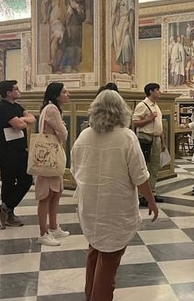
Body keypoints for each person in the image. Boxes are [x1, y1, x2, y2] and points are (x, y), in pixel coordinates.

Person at [71, 90, 158, 301]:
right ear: (121, 111)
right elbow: (140, 176)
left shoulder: (84, 136)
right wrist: (152, 202)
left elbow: (75, 169)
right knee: (109, 260)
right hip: (116, 207)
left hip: (90, 206)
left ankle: (90, 294)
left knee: (94, 250)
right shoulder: (126, 137)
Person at [0, 80, 36, 229]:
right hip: (7, 151)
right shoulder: (2, 107)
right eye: (16, 89)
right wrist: (22, 120)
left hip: (20, 149)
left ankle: (5, 208)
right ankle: (8, 214)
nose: (19, 91)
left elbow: (31, 119)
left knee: (26, 180)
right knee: (8, 182)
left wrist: (22, 119)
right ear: (8, 93)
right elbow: (20, 125)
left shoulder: (16, 106)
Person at [35, 82, 72, 246]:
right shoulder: (52, 109)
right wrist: (63, 128)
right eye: (65, 92)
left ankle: (54, 226)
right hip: (47, 156)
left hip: (52, 155)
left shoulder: (51, 108)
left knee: (56, 192)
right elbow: (63, 134)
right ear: (56, 95)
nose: (68, 94)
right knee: (46, 195)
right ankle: (43, 233)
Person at [133, 83, 166, 206]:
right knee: (145, 166)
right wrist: (149, 119)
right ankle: (142, 195)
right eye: (157, 90)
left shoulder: (156, 106)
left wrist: (163, 141)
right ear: (151, 91)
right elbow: (135, 122)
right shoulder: (142, 105)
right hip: (146, 139)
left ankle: (151, 192)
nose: (159, 92)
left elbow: (160, 126)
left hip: (156, 138)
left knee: (154, 166)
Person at [64, 0, 91, 73]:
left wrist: (88, 18)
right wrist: (77, 7)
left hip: (81, 15)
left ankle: (78, 63)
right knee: (72, 39)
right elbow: (70, 0)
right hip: (73, 15)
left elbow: (88, 5)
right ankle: (72, 64)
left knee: (80, 41)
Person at [40, 0, 68, 73]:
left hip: (63, 20)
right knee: (56, 37)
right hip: (54, 17)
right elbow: (44, 2)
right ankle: (52, 60)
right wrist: (44, 16)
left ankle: (57, 66)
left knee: (63, 44)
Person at [111, 0, 135, 74]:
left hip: (125, 20)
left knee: (126, 42)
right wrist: (117, 2)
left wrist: (131, 22)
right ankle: (121, 66)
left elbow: (131, 9)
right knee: (118, 45)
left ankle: (128, 66)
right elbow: (113, 3)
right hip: (118, 21)